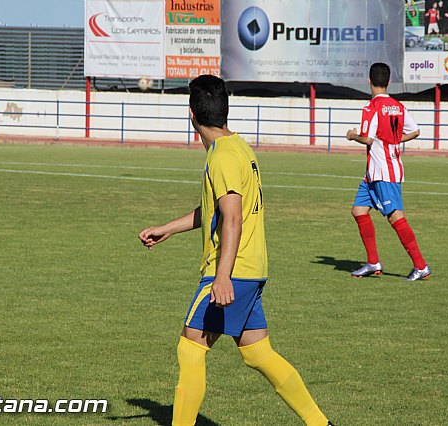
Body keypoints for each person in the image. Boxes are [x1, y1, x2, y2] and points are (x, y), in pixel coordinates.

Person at [138, 75, 333, 426]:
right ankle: (321, 423)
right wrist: (168, 228)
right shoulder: (238, 147)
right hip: (252, 268)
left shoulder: (223, 157)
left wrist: (222, 276)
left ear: (191, 114)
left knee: (190, 348)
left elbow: (232, 219)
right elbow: (216, 210)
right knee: (258, 353)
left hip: (232, 270)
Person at [345, 63, 431, 281]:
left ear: (369, 81)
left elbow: (368, 138)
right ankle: (373, 262)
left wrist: (353, 136)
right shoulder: (398, 106)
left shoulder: (371, 107)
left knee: (395, 217)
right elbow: (415, 131)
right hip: (373, 173)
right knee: (358, 211)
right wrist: (394, 140)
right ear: (389, 82)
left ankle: (421, 266)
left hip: (384, 172)